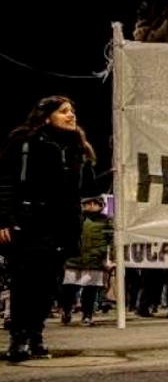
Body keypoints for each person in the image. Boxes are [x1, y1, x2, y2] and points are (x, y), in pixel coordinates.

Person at [0, 96, 96, 361]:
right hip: (29, 222)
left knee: (48, 284)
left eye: (73, 111)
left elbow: (82, 189)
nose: (71, 115)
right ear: (46, 116)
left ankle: (36, 336)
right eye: (64, 111)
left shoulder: (76, 146)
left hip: (62, 226)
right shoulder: (24, 141)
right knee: (24, 282)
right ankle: (18, 339)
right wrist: (5, 219)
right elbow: (5, 181)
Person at [60, 194, 113, 326]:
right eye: (88, 203)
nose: (91, 206)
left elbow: (112, 241)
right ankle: (66, 310)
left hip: (95, 261)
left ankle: (87, 314)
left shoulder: (106, 221)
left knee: (90, 291)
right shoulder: (75, 219)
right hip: (74, 260)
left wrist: (110, 258)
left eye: (95, 203)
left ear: (101, 205)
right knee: (69, 289)